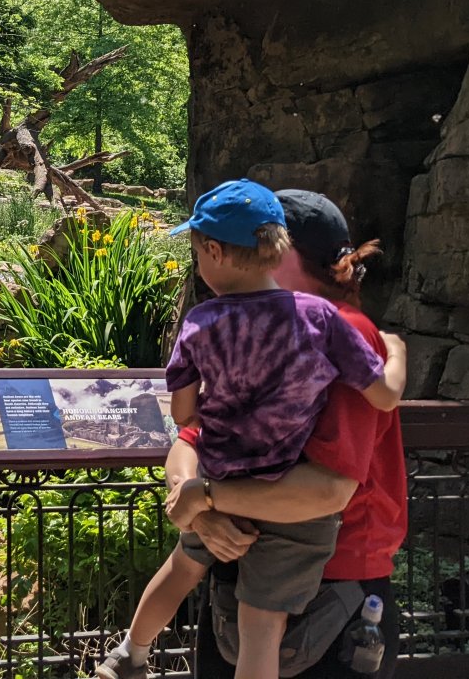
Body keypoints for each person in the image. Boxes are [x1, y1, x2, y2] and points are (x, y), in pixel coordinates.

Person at [96, 181, 406, 679]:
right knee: (256, 631)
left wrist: (207, 498)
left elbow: (329, 490)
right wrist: (196, 504)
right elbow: (191, 440)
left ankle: (130, 653)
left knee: (227, 609)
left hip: (332, 589)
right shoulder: (315, 325)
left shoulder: (318, 326)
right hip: (251, 545)